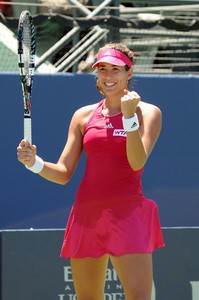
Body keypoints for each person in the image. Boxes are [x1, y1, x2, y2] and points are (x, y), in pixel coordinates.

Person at [17, 42, 164, 300]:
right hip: (87, 215)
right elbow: (63, 172)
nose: (108, 76)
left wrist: (129, 118)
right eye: (102, 69)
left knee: (140, 297)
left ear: (129, 72)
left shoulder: (148, 113)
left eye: (115, 69)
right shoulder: (83, 116)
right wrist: (34, 163)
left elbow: (137, 162)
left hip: (128, 214)